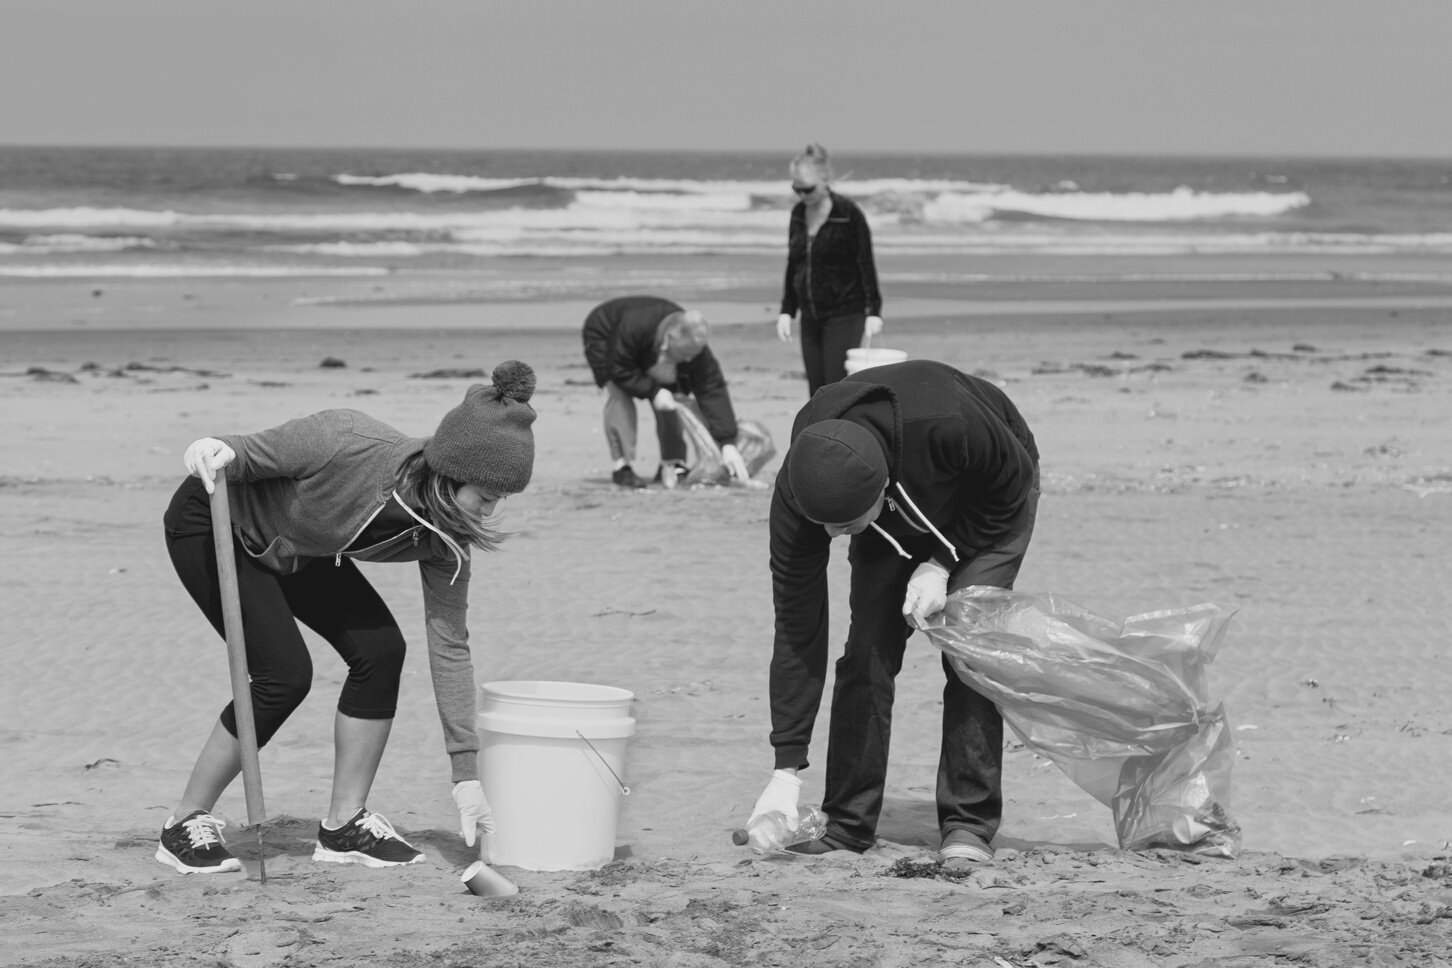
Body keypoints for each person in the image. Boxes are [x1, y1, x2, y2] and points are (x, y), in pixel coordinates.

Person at [155, 361, 538, 874]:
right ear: (451, 472)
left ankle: (343, 825)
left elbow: (449, 644)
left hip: (299, 548)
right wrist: (212, 448)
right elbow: (242, 453)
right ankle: (184, 822)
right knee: (283, 676)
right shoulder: (346, 440)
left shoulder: (447, 537)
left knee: (382, 652)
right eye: (486, 497)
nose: (488, 513)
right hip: (218, 524)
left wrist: (465, 772)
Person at [750, 359, 1040, 864]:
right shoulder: (806, 484)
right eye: (825, 526)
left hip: (992, 495)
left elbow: (1008, 490)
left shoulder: (952, 424)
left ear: (882, 493)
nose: (832, 538)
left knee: (967, 653)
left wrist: (942, 561)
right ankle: (847, 824)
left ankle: (968, 825)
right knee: (867, 651)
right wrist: (785, 769)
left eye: (843, 526)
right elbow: (798, 625)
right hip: (894, 508)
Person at [581, 294, 749, 488]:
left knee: (673, 399)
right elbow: (620, 369)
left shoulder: (694, 348)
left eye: (692, 356)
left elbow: (712, 388)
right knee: (620, 394)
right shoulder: (634, 327)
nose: (688, 361)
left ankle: (671, 463)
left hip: (649, 345)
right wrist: (653, 391)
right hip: (605, 334)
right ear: (670, 338)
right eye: (684, 355)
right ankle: (622, 466)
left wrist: (727, 441)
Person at [775, 143, 884, 396]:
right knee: (816, 391)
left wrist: (874, 311)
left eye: (807, 189)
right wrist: (786, 310)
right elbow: (794, 263)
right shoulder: (798, 214)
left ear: (826, 181)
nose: (802, 195)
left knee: (834, 388)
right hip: (810, 315)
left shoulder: (848, 215)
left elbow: (865, 263)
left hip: (845, 313)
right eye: (796, 189)